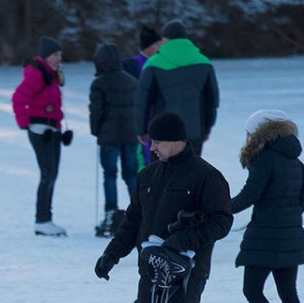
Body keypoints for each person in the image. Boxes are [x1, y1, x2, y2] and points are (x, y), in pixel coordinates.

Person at [94, 112, 232, 303]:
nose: (151, 147)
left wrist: (180, 240)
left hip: (186, 270)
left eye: (155, 141)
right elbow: (132, 223)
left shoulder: (206, 176)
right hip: (150, 268)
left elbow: (221, 221)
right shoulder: (148, 176)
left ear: (174, 140)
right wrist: (111, 255)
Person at [230, 110, 304, 303]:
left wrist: (222, 208)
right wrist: (292, 211)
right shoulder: (290, 156)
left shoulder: (265, 157)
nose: (246, 138)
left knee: (252, 289)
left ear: (259, 133)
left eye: (248, 133)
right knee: (288, 292)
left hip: (265, 235)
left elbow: (250, 194)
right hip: (290, 235)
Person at [12, 36, 72, 237]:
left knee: (52, 174)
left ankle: (46, 219)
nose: (59, 58)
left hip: (53, 130)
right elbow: (18, 97)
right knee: (48, 174)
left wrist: (60, 126)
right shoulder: (37, 73)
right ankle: (42, 220)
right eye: (55, 54)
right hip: (40, 130)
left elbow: (54, 104)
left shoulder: (52, 74)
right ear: (46, 55)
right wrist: (25, 123)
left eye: (60, 55)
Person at [134, 20, 219, 156]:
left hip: (161, 132)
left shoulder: (154, 63)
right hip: (194, 131)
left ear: (165, 39)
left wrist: (141, 129)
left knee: (162, 175)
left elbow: (142, 101)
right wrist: (207, 128)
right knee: (190, 174)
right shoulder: (204, 62)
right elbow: (211, 100)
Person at [89, 42, 139, 237]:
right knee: (131, 175)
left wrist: (96, 131)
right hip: (130, 134)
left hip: (108, 137)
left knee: (109, 175)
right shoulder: (131, 80)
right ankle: (139, 213)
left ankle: (111, 215)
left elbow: (96, 111)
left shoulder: (99, 83)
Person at [123, 25, 162, 167]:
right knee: (141, 158)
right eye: (157, 44)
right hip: (139, 116)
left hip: (155, 115)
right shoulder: (131, 64)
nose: (160, 47)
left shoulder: (161, 62)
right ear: (148, 46)